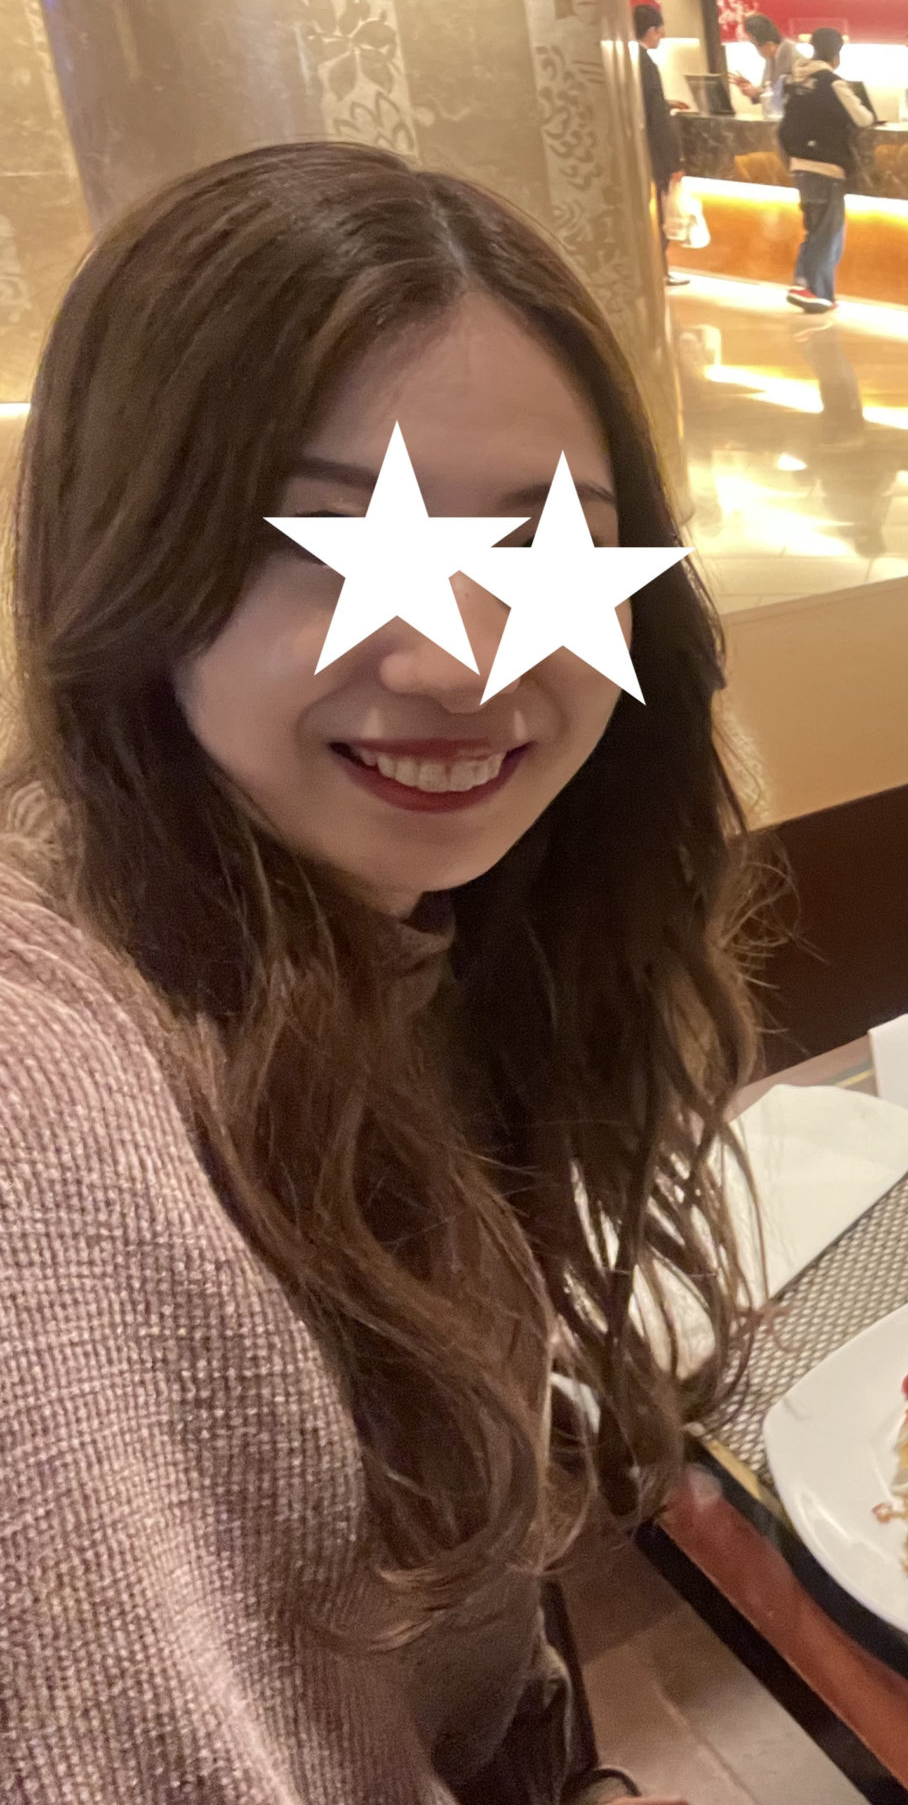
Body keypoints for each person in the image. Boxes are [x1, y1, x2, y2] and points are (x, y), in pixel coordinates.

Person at [0, 140, 760, 1804]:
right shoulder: (48, 1106)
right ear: (129, 555)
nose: (459, 661)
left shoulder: (413, 927)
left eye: (541, 550)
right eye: (336, 544)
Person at [779, 25, 876, 314]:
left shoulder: (796, 81)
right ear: (837, 55)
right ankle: (815, 290)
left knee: (814, 229)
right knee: (827, 233)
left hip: (799, 166)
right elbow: (863, 118)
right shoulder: (832, 83)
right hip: (825, 166)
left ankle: (803, 283)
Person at [633, 1, 685, 287]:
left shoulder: (626, 60)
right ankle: (659, 271)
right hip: (654, 154)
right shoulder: (646, 64)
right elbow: (656, 117)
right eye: (660, 31)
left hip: (637, 152)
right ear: (652, 30)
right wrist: (674, 161)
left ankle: (656, 272)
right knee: (659, 215)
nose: (661, 36)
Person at [729, 11, 802, 120]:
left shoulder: (792, 58)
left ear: (768, 45)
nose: (756, 50)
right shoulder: (772, 58)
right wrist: (753, 90)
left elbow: (787, 95)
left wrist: (757, 91)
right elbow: (768, 89)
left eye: (755, 45)